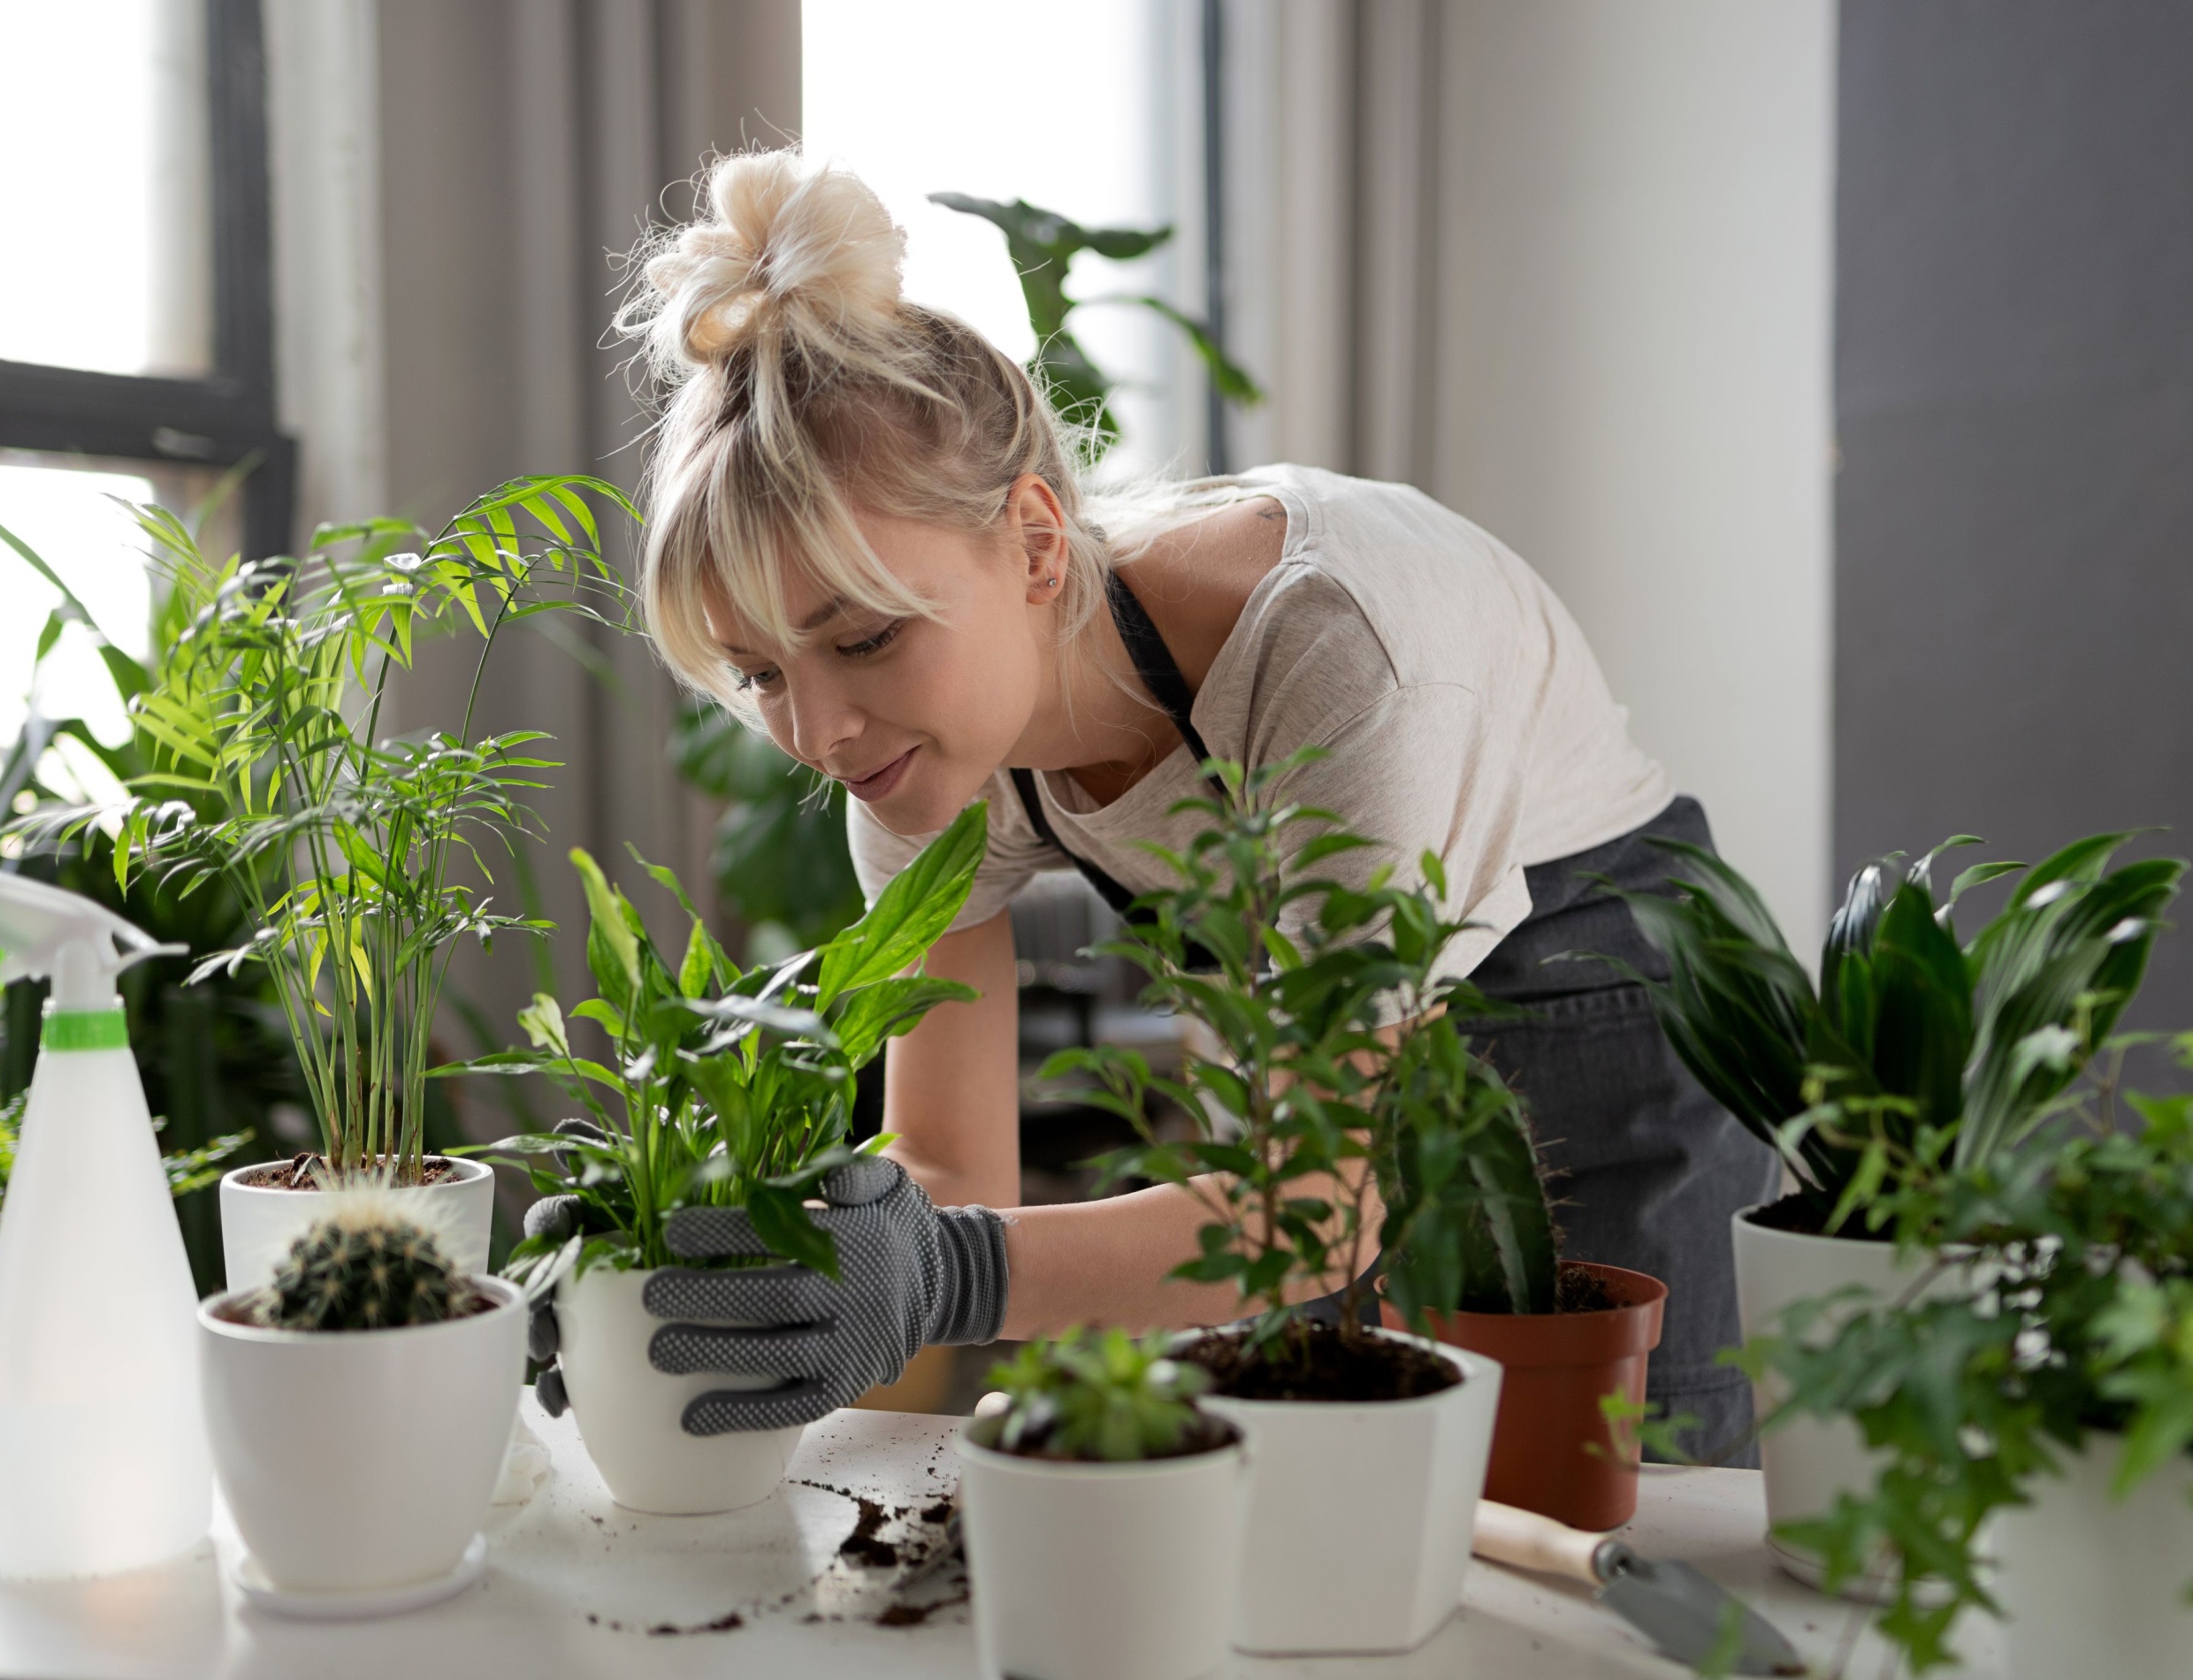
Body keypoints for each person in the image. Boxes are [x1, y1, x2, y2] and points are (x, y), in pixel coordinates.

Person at [528, 149, 1777, 1462]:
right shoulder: (907, 764)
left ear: (1033, 541)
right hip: (1341, 1090)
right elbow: (953, 1186)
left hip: (1593, 1020)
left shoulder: (1331, 658)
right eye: (760, 672)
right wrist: (691, 1272)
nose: (817, 732)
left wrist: (940, 1279)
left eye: (867, 638)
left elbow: (1316, 1205)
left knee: (1614, 1532)